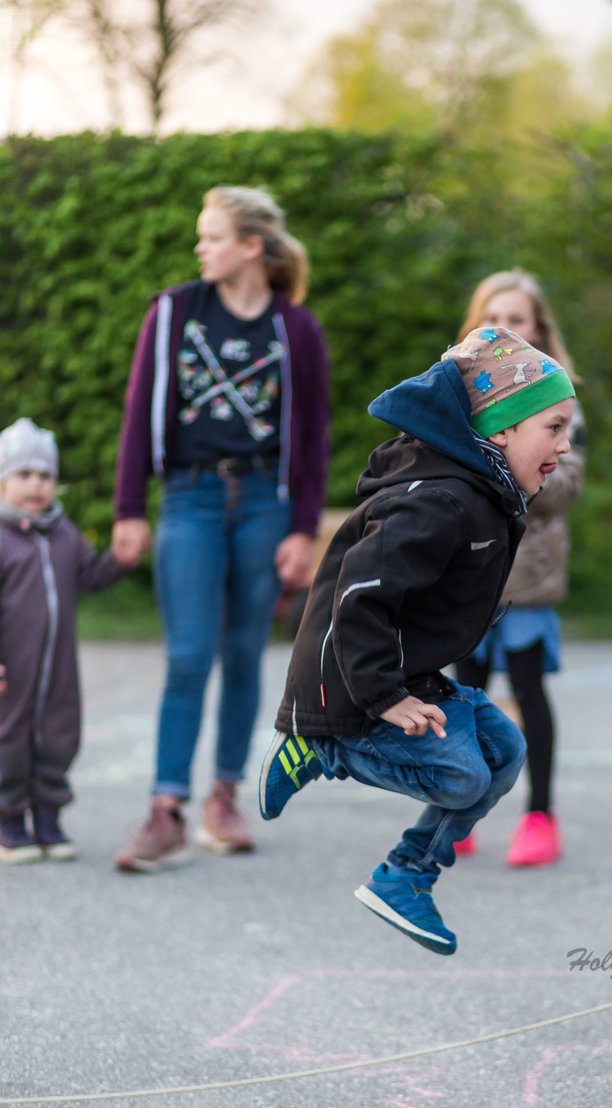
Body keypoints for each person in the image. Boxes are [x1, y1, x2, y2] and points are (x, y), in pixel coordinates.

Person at [258, 325, 576, 955]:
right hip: (348, 684)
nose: (564, 445)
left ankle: (406, 875)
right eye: (554, 427)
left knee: (505, 752)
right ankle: (319, 750)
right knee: (461, 776)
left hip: (403, 673)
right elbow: (358, 595)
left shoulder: (484, 490)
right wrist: (383, 696)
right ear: (502, 429)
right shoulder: (439, 501)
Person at [111, 185, 330, 872]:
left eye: (212, 237)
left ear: (251, 247)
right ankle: (165, 809)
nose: (199, 247)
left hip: (266, 503)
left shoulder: (296, 329)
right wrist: (128, 509)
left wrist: (302, 528)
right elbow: (138, 412)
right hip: (190, 499)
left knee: (242, 654)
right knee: (187, 656)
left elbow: (314, 434)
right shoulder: (174, 313)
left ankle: (224, 798)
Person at [453, 270, 586, 867]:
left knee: (530, 694)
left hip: (526, 580)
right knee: (464, 695)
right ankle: (458, 808)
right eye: (493, 318)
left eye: (518, 319)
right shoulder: (458, 396)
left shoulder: (560, 399)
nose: (505, 329)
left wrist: (513, 462)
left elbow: (564, 487)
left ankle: (540, 815)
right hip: (468, 577)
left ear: (539, 331)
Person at [0, 418, 128, 864]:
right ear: (3, 482)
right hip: (12, 669)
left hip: (58, 668)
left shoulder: (65, 533)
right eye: (24, 474)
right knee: (10, 736)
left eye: (45, 475)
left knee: (59, 734)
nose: (36, 484)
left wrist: (120, 560)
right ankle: (9, 820)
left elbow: (89, 575)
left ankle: (48, 816)